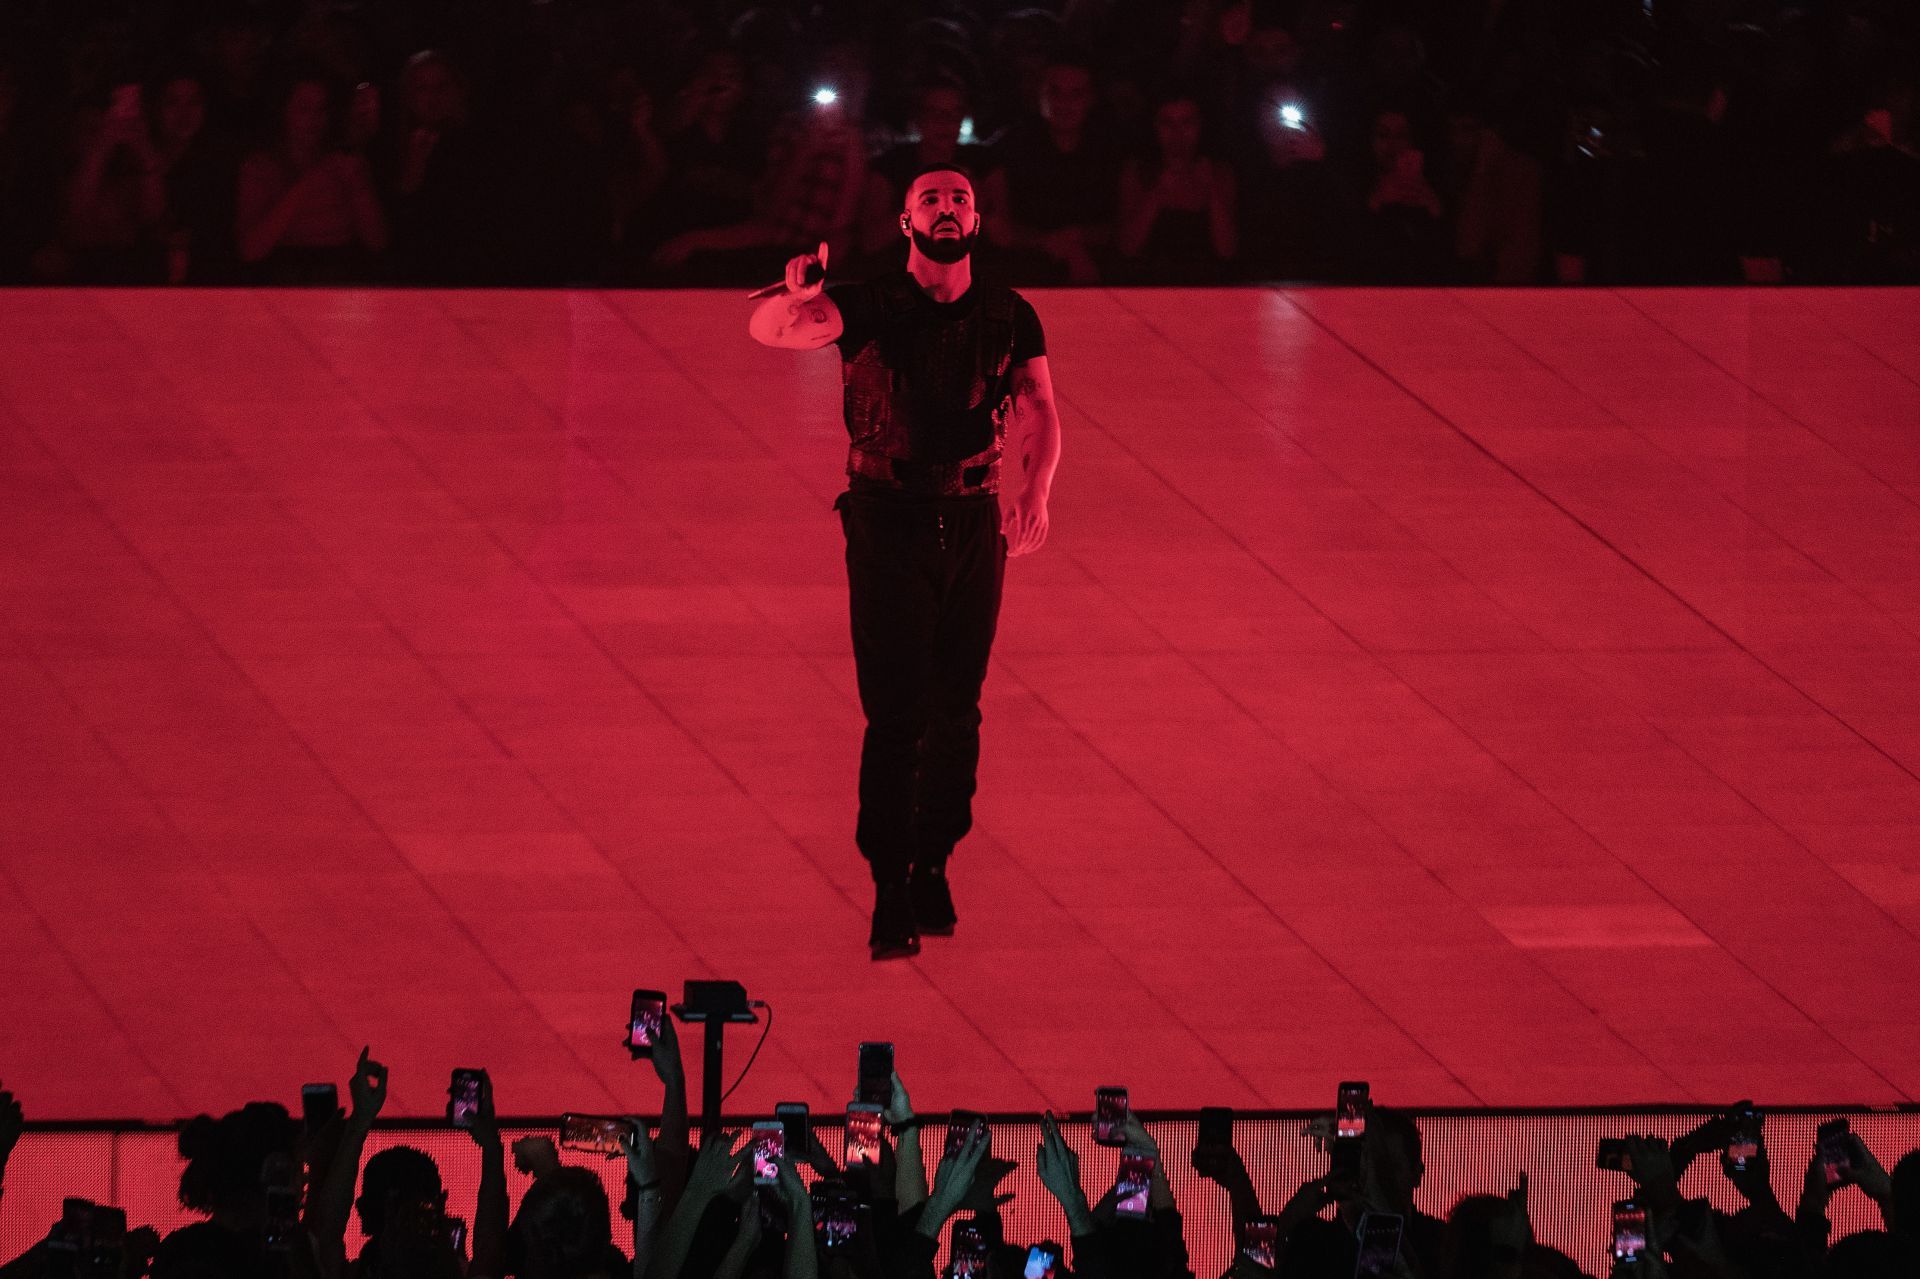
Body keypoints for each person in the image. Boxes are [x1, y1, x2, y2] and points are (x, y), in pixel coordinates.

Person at [747, 163, 1062, 960]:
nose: (946, 208)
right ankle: (889, 878)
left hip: (970, 513)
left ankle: (934, 858)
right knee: (897, 711)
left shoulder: (1008, 313)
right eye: (931, 198)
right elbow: (775, 334)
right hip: (887, 518)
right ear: (905, 221)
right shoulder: (869, 303)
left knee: (960, 703)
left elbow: (1040, 408)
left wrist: (1038, 490)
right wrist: (797, 291)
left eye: (959, 199)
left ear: (977, 221)